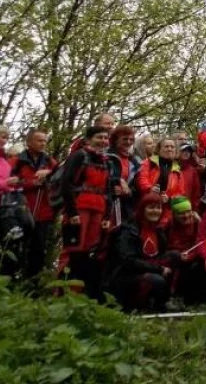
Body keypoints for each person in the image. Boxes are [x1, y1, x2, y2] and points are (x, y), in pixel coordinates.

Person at [58, 126, 113, 300]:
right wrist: (72, 212)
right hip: (79, 208)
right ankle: (61, 293)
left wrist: (106, 216)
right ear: (89, 139)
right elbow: (66, 183)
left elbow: (108, 190)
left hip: (98, 209)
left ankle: (80, 293)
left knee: (89, 251)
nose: (103, 141)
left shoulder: (105, 161)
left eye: (105, 138)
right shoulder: (79, 156)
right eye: (99, 137)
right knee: (73, 249)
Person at [106, 193, 177, 312]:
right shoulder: (128, 230)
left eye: (158, 207)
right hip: (127, 275)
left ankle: (165, 299)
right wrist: (159, 269)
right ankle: (145, 304)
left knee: (175, 256)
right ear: (142, 209)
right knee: (156, 279)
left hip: (149, 267)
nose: (155, 211)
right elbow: (129, 261)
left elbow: (161, 254)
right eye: (151, 207)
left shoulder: (158, 231)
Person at [11, 129, 57, 277]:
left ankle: (32, 284)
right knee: (16, 247)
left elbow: (60, 179)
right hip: (21, 210)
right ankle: (12, 279)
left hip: (43, 212)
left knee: (38, 249)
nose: (43, 144)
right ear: (29, 142)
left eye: (45, 141)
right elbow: (7, 183)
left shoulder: (50, 162)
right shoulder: (17, 161)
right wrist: (31, 183)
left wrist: (49, 174)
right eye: (39, 140)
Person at [135, 138, 184, 218]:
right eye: (166, 146)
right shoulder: (149, 162)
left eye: (172, 147)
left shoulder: (177, 169)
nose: (169, 149)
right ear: (159, 149)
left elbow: (180, 191)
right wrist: (150, 188)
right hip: (147, 205)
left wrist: (169, 198)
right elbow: (141, 178)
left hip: (166, 209)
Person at [107, 125, 141, 222]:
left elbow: (137, 183)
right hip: (109, 203)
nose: (128, 142)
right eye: (125, 139)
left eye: (131, 139)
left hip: (127, 205)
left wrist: (130, 191)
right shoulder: (107, 157)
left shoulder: (134, 161)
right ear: (116, 140)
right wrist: (117, 182)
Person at [178, 144, 202, 210]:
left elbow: (196, 192)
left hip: (187, 208)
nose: (186, 153)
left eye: (189, 151)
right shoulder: (171, 167)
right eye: (184, 151)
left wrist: (195, 208)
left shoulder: (193, 171)